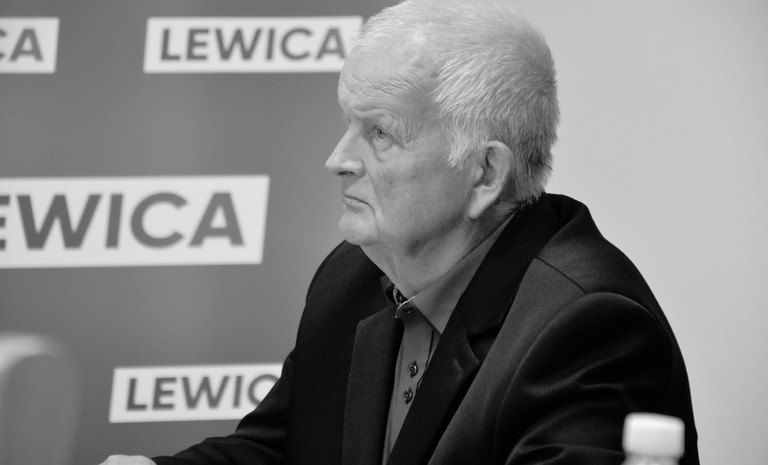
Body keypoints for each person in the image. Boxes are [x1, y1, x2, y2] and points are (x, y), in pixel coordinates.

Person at [100, 0, 699, 464]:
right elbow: (280, 450)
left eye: (380, 133)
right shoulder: (354, 276)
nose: (337, 159)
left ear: (484, 173)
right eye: (348, 124)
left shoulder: (588, 327)